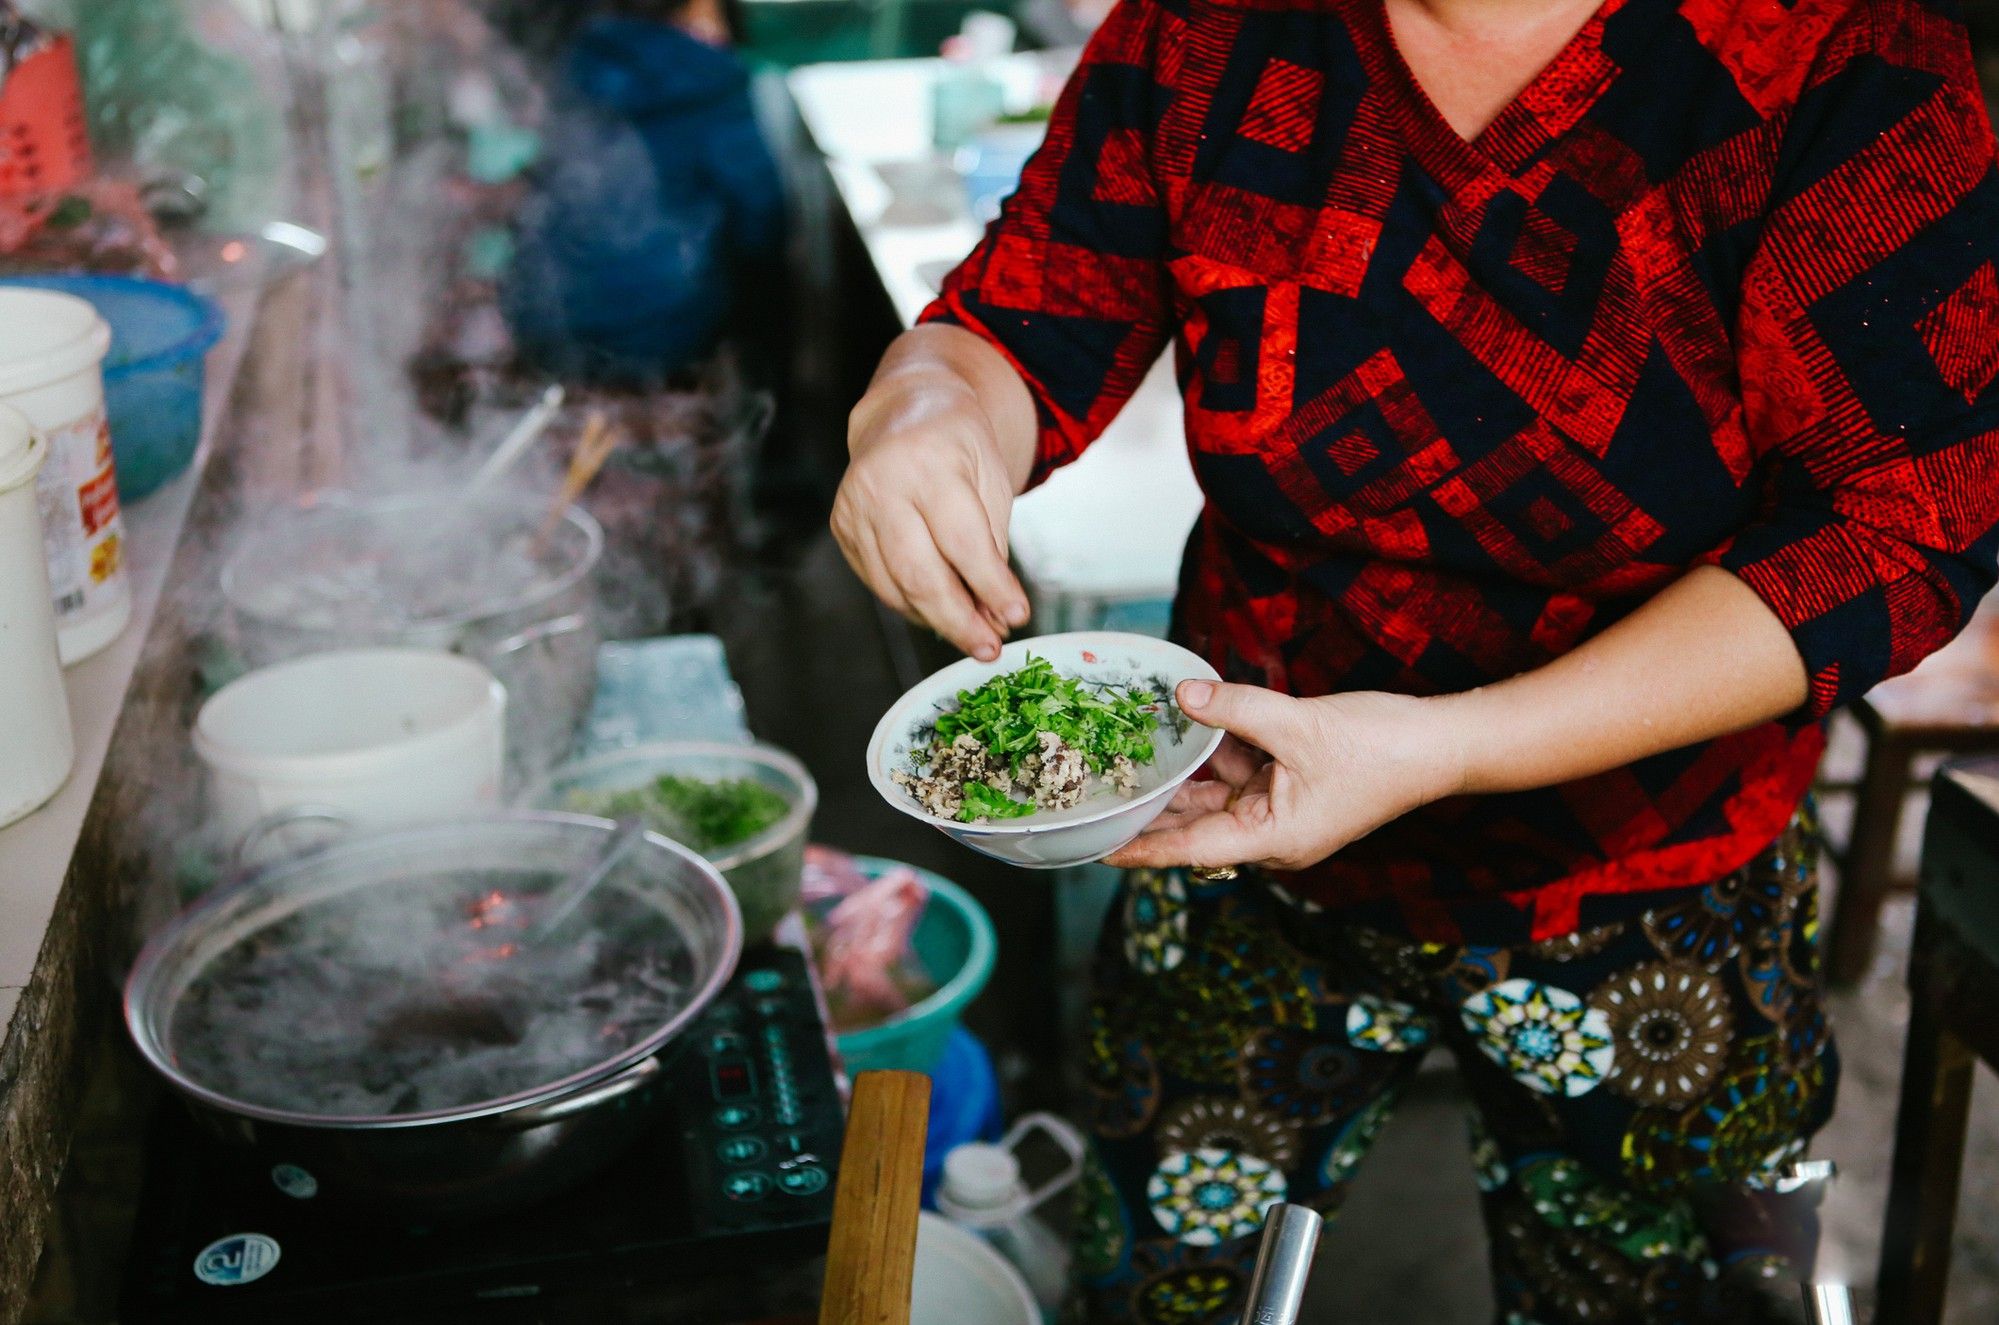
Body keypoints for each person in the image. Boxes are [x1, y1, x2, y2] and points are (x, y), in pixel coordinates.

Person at [831, 0, 1999, 1318]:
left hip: (1649, 888)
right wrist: (927, 407)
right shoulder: (1202, 32)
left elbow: (1900, 527)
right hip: (1229, 823)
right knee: (1160, 1289)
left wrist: (1450, 745)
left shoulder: (1838, 59)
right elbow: (1019, 318)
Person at [501, 0, 784, 382]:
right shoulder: (712, 79)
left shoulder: (578, 60)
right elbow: (761, 215)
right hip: (663, 329)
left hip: (542, 317)